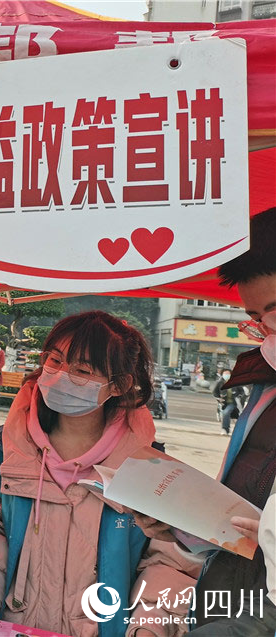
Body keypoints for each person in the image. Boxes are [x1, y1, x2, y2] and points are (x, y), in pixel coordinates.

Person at [0, 311, 199, 636]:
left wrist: (151, 623)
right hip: (14, 628)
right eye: (55, 360)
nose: (61, 375)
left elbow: (170, 561)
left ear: (119, 385)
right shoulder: (4, 451)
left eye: (82, 370)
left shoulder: (151, 469)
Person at [135, 208, 276, 635]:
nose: (267, 331)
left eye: (275, 311)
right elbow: (242, 510)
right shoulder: (263, 388)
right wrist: (185, 528)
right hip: (227, 599)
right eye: (257, 319)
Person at [212, 368, 238, 435]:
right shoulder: (220, 383)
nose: (227, 375)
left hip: (232, 403)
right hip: (223, 403)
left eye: (228, 374)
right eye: (225, 374)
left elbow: (241, 391)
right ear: (222, 374)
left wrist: (238, 396)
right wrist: (218, 398)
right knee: (229, 416)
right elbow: (215, 392)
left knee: (226, 413)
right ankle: (226, 430)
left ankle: (225, 429)